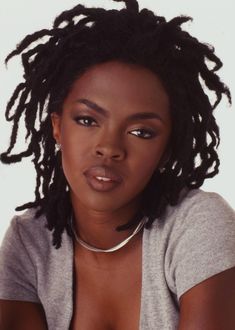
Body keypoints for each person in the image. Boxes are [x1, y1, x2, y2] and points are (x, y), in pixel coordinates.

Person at [0, 0, 235, 329]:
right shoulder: (29, 243)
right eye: (86, 120)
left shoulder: (196, 227)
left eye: (141, 131)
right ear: (57, 127)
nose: (109, 148)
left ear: (166, 149)